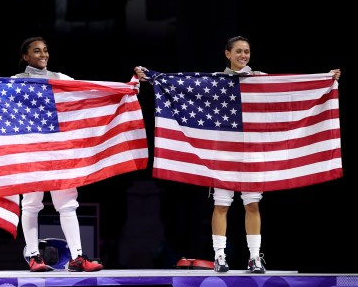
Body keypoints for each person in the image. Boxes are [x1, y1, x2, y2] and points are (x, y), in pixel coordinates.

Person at [135, 35, 341, 274]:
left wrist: (325, 79)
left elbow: (293, 88)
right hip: (223, 153)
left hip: (253, 153)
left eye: (247, 51)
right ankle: (220, 256)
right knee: (221, 205)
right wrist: (153, 77)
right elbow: (180, 85)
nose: (244, 55)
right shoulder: (214, 81)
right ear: (227, 54)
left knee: (252, 204)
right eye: (239, 51)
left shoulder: (260, 79)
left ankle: (254, 257)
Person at [13, 36, 103, 272]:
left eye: (45, 50)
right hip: (30, 149)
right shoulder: (14, 82)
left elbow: (90, 91)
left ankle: (77, 257)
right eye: (36, 51)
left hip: (58, 150)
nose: (43, 55)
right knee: (31, 203)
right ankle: (33, 256)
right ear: (25, 57)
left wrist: (125, 88)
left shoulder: (61, 79)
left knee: (67, 203)